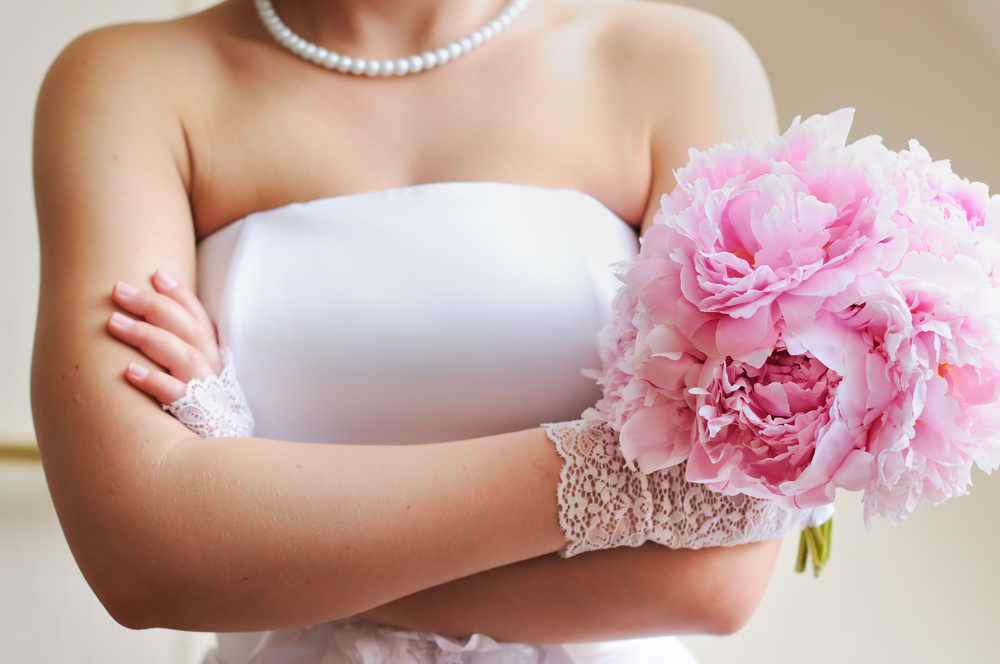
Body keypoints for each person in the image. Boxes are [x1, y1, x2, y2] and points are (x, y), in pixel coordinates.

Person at [31, 0, 791, 661]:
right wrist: (619, 477)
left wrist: (262, 543)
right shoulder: (125, 81)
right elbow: (143, 557)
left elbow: (716, 578)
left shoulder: (681, 65)